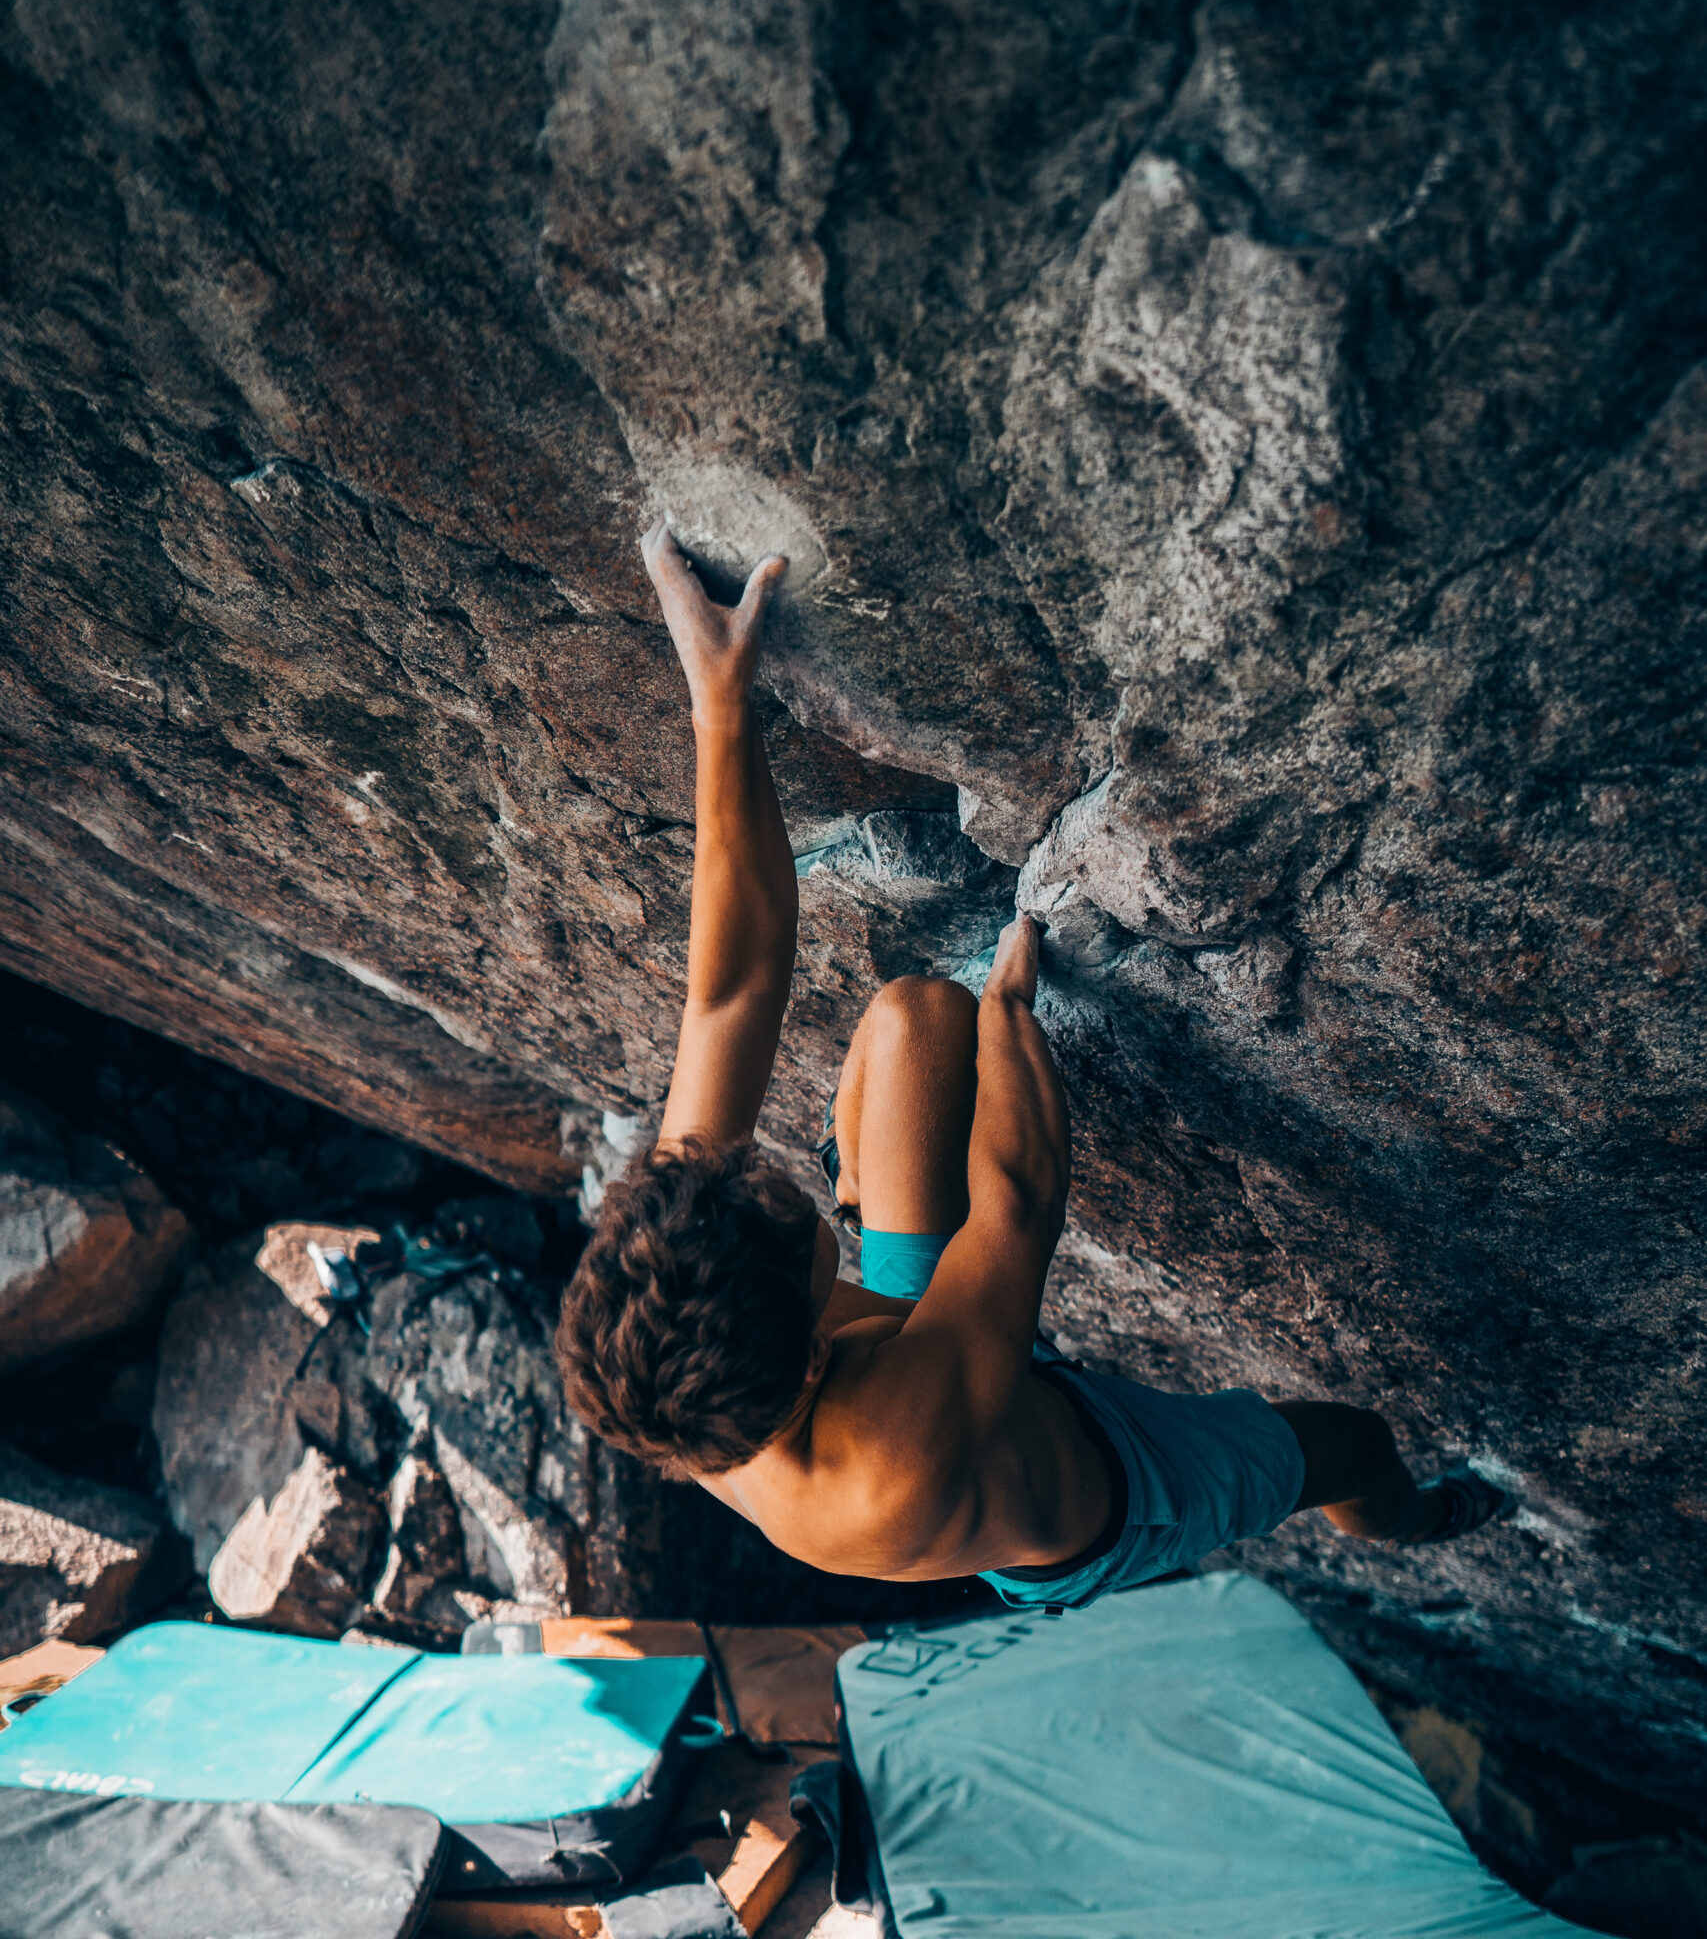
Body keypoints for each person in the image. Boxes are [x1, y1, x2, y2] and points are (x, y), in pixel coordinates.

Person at [555, 525, 1512, 1604]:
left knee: (917, 1020)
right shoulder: (885, 1472)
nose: (750, 1175)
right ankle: (1410, 1521)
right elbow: (1016, 1200)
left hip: (913, 1334)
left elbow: (729, 991)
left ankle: (877, 1195)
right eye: (795, 1226)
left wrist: (719, 704)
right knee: (1348, 1441)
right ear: (808, 1361)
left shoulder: (686, 1257)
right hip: (1100, 1482)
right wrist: (1012, 1007)